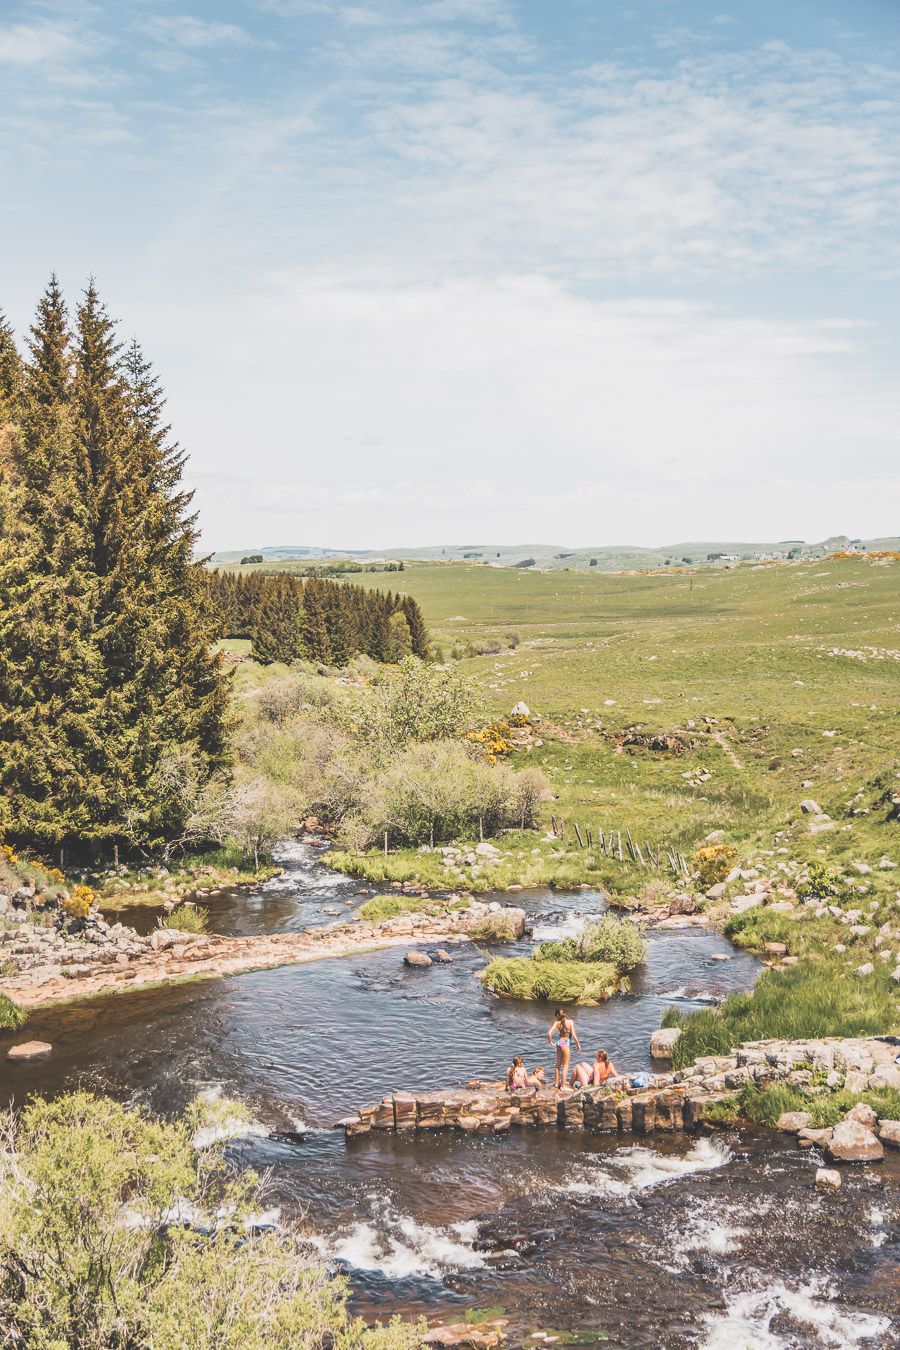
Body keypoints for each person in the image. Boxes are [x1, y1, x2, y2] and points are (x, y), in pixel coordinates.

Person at [548, 1008, 581, 1089]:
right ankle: (563, 1086)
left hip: (559, 1042)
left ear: (557, 1016)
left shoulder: (557, 1022)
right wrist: (578, 1044)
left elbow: (549, 1033)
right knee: (566, 1066)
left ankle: (556, 1083)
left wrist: (551, 1042)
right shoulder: (570, 1022)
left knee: (558, 1065)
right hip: (565, 1044)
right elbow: (573, 1035)